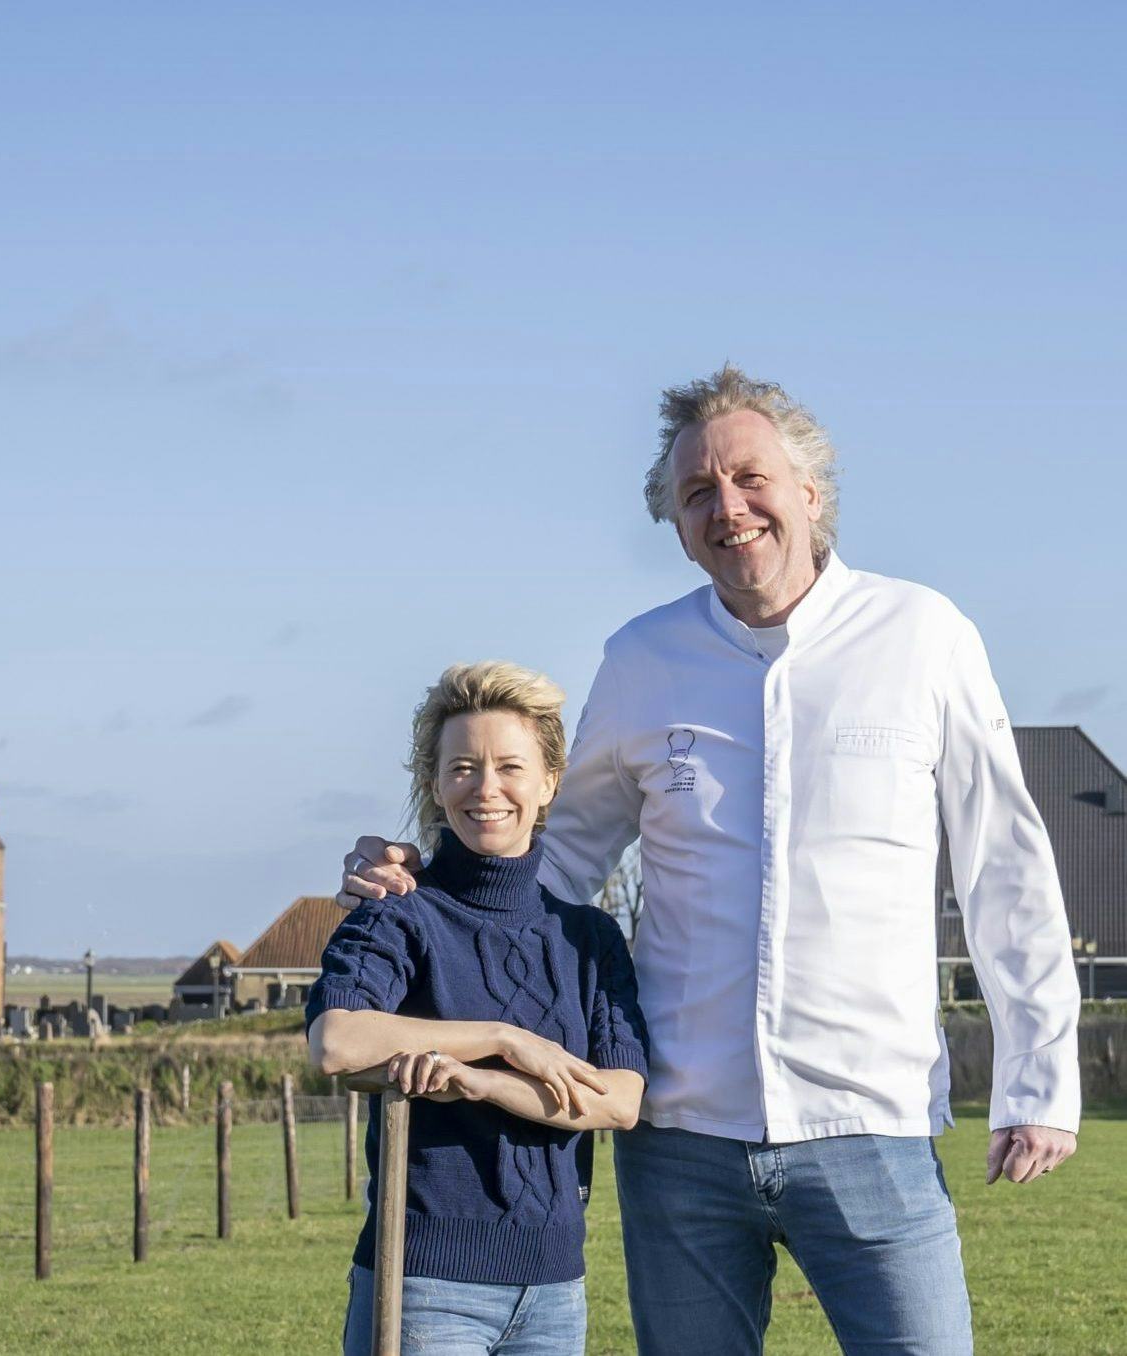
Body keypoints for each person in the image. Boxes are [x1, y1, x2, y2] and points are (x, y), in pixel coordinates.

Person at [338, 366, 1081, 1355]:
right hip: (679, 1141)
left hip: (872, 1121)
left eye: (748, 479)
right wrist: (420, 887)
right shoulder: (644, 659)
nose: (726, 508)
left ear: (810, 493)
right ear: (677, 525)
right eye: (696, 494)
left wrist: (1038, 1080)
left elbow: (1005, 865)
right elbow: (551, 862)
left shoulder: (922, 634)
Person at [309, 660, 649, 1356]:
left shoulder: (590, 938)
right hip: (424, 1285)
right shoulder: (397, 913)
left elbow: (619, 1100)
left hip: (556, 1291)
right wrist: (503, 1037)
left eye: (510, 767)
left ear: (550, 782)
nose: (486, 788)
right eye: (462, 767)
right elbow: (337, 1041)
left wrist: (480, 1080)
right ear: (434, 785)